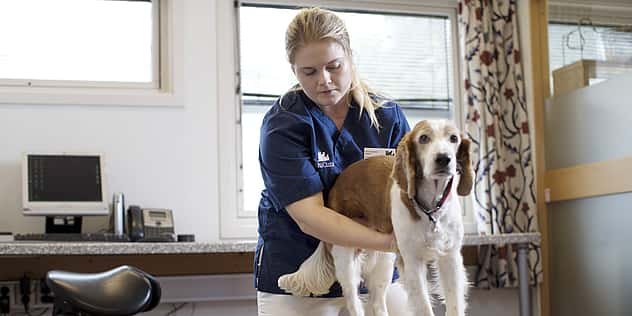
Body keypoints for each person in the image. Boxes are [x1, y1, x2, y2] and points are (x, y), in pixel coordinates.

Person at [255, 7, 411, 316]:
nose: (324, 81)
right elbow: (309, 216)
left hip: (377, 274)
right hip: (301, 271)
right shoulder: (284, 125)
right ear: (293, 69)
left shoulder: (387, 117)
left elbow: (411, 192)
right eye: (309, 72)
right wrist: (394, 242)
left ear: (350, 57)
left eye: (334, 66)